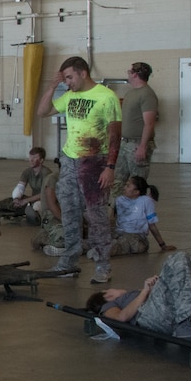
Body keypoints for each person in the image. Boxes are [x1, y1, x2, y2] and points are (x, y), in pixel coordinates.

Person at [34, 55, 121, 285]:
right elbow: (42, 112)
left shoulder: (106, 97)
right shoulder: (70, 96)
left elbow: (115, 136)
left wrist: (110, 167)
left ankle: (103, 265)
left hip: (95, 162)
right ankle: (69, 263)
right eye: (64, 79)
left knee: (96, 215)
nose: (67, 83)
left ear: (83, 73)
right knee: (70, 212)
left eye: (70, 77)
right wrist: (53, 86)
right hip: (70, 160)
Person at [114, 62, 161, 193]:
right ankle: (117, 210)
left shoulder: (147, 95)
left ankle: (138, 211)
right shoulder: (131, 93)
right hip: (125, 143)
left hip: (137, 144)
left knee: (137, 183)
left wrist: (142, 146)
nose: (128, 73)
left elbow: (149, 123)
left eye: (130, 71)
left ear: (135, 74)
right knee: (118, 180)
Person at [112, 176, 172, 255]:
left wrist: (162, 245)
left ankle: (104, 251)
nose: (124, 187)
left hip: (136, 236)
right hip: (120, 233)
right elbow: (112, 219)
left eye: (128, 186)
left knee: (122, 245)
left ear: (136, 192)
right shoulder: (119, 200)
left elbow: (152, 225)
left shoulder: (146, 201)